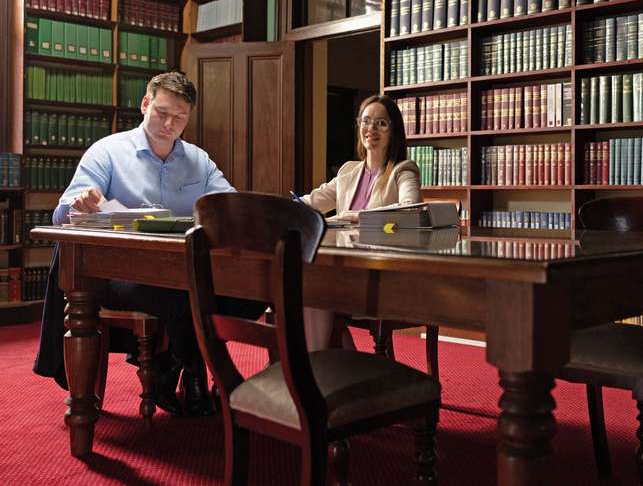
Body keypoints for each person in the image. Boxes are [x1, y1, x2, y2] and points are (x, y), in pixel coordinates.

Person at [34, 71, 262, 417]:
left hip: (180, 270)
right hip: (118, 274)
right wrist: (80, 203)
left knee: (252, 291)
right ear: (145, 105)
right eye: (162, 112)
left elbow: (229, 209)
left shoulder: (199, 161)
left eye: (180, 117)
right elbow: (60, 215)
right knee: (192, 295)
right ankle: (193, 371)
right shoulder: (108, 151)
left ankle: (171, 365)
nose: (169, 124)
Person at [300, 94, 421, 350]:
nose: (371, 129)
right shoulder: (347, 172)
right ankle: (323, 367)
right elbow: (311, 202)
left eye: (381, 123)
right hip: (344, 268)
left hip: (381, 272)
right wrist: (276, 210)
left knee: (314, 289)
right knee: (303, 286)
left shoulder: (403, 169)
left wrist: (357, 216)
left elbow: (412, 212)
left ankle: (319, 369)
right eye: (366, 121)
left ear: (393, 130)